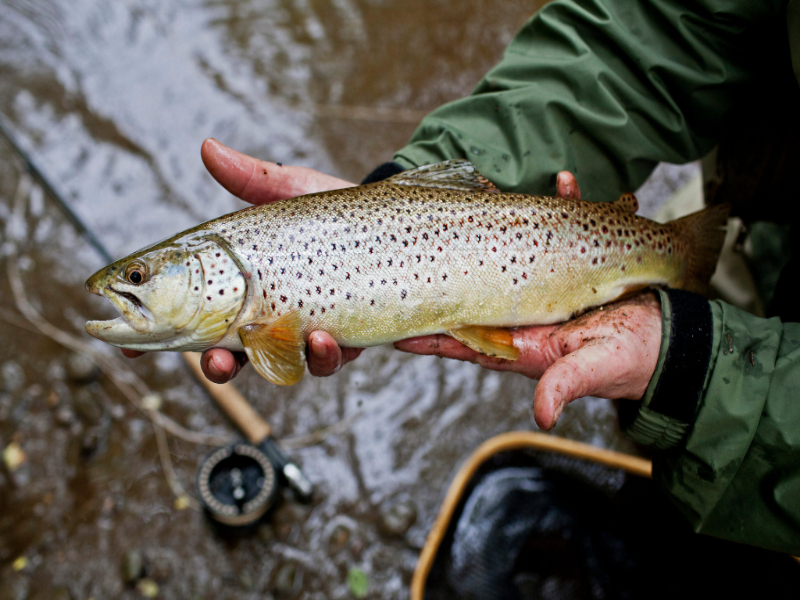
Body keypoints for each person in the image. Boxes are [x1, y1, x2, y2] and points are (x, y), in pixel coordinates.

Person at [128, 0, 800, 554]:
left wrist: (689, 365)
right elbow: (658, 28)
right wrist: (391, 193)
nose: (131, 287)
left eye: (140, 275)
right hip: (765, 222)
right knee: (669, 440)